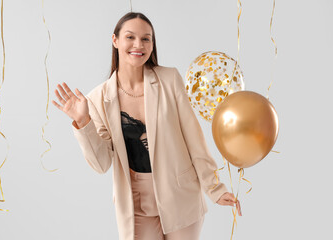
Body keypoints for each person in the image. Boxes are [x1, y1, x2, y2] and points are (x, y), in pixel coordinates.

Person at [52, 12, 242, 240]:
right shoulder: (97, 99)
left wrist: (214, 189)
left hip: (181, 195)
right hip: (135, 203)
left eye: (146, 39)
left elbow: (195, 141)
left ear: (152, 44)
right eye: (130, 37)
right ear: (115, 40)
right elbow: (101, 164)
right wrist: (83, 122)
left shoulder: (170, 80)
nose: (138, 45)